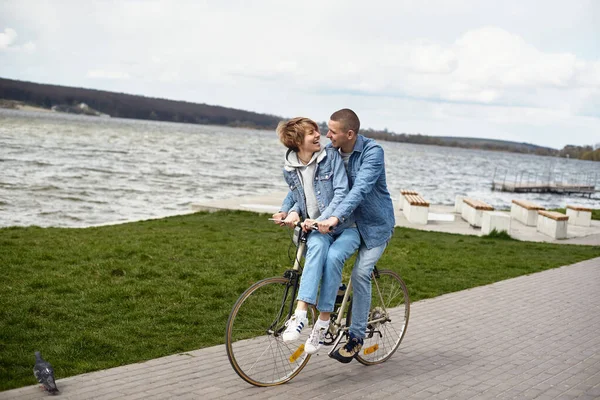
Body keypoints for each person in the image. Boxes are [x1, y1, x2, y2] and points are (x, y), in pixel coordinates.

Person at [271, 117, 360, 355]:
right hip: (316, 228)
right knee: (318, 249)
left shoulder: (330, 157)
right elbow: (296, 196)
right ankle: (300, 314)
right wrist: (287, 212)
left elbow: (342, 192)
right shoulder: (289, 168)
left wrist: (324, 220)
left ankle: (322, 323)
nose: (318, 135)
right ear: (298, 141)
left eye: (317, 131)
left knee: (332, 259)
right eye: (311, 133)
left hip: (345, 227)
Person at [317, 108, 396, 363]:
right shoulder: (331, 152)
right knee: (325, 253)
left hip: (375, 226)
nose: (327, 135)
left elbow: (359, 190)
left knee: (361, 273)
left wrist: (335, 218)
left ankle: (356, 337)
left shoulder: (373, 152)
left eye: (332, 131)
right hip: (348, 225)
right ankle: (337, 293)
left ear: (349, 134)